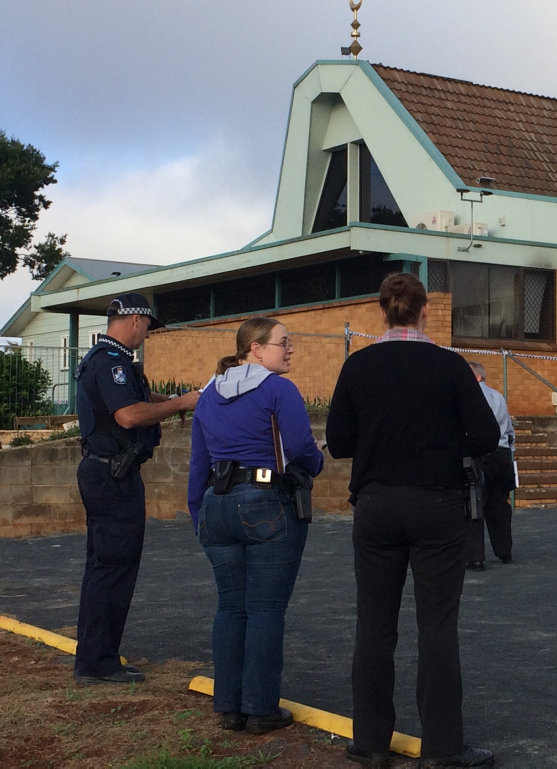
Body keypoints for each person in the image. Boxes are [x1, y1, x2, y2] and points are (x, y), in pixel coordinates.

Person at [326, 273, 499, 768]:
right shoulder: (450, 366)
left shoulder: (358, 366)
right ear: (425, 311)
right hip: (437, 504)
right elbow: (486, 436)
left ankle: (371, 742)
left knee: (374, 625)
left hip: (377, 503)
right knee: (437, 626)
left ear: (382, 312)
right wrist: (445, 446)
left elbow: (339, 442)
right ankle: (443, 747)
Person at [187, 317, 324, 734]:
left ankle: (230, 705)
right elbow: (300, 445)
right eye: (284, 343)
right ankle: (261, 708)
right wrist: (316, 462)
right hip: (265, 501)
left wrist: (200, 514)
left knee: (230, 606)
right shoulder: (279, 389)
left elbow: (198, 462)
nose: (291, 349)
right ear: (255, 350)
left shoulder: (209, 394)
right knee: (265, 609)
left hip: (217, 504)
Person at [73, 293, 201, 685]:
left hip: (106, 473)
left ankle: (95, 655)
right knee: (114, 567)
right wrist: (184, 400)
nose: (147, 333)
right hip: (113, 476)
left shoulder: (107, 360)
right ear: (133, 321)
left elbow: (136, 399)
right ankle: (98, 662)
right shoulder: (111, 362)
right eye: (147, 325)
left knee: (104, 567)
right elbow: (128, 415)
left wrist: (175, 403)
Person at [464, 360, 516, 571]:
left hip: (478, 455)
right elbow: (509, 430)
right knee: (499, 505)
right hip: (502, 455)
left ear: (475, 377)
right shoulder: (499, 396)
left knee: (474, 505)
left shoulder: (469, 397)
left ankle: (475, 556)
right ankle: (504, 551)